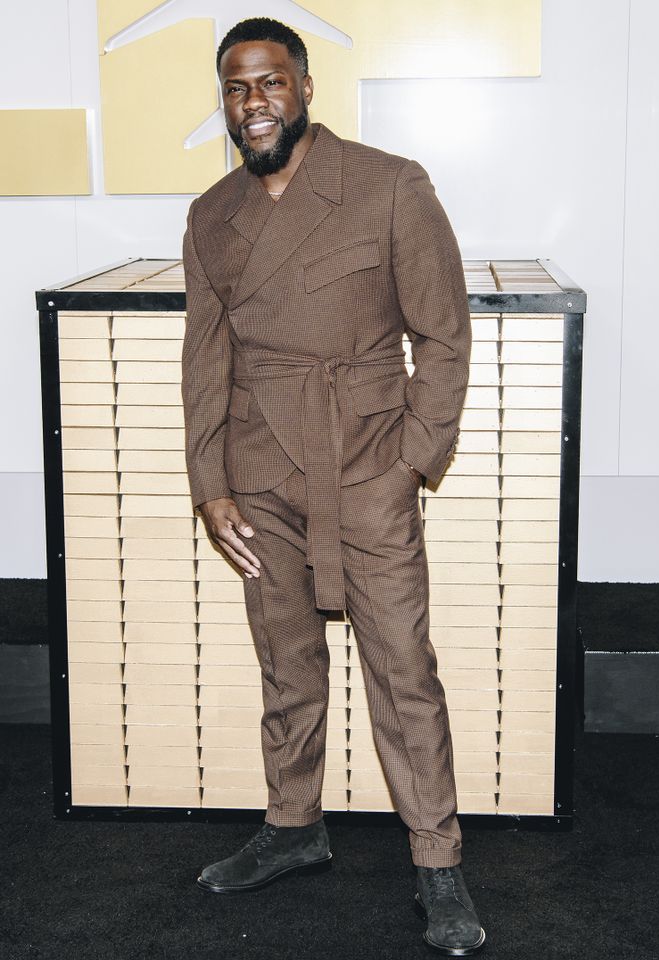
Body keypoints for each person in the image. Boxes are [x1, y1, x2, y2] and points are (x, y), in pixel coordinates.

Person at [181, 16, 485, 956]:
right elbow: (206, 355)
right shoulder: (210, 215)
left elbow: (442, 334)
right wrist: (211, 482)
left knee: (403, 674)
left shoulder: (389, 184)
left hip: (365, 463)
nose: (253, 102)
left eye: (269, 82)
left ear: (305, 88)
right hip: (259, 469)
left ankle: (437, 863)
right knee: (286, 665)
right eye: (236, 88)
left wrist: (411, 462)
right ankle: (292, 828)